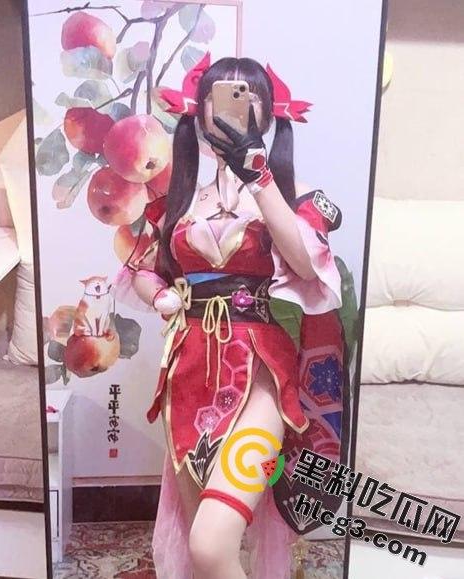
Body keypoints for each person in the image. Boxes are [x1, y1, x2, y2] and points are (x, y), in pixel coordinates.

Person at [113, 55, 343, 579]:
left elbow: (306, 264)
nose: (234, 109)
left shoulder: (295, 199)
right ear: (198, 113)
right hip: (188, 375)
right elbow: (141, 269)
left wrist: (258, 175)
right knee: (202, 543)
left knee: (212, 543)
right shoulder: (175, 203)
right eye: (220, 96)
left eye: (248, 96)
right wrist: (160, 296)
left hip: (263, 377)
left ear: (269, 113)